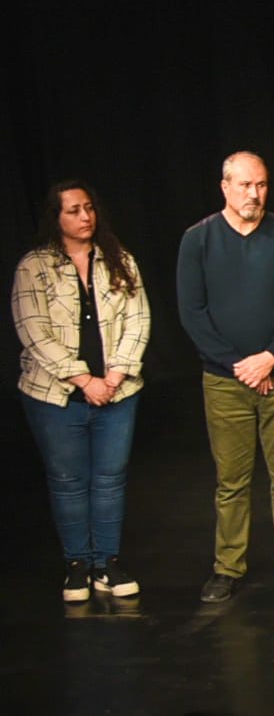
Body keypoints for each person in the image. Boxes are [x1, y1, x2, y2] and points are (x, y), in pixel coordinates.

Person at [176, 152, 274, 602]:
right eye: (244, 185)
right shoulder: (198, 239)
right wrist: (240, 365)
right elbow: (192, 312)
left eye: (261, 185)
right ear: (225, 187)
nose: (253, 194)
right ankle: (227, 567)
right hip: (225, 381)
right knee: (231, 481)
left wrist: (269, 358)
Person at [14, 181, 149, 602]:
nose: (85, 216)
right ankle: (78, 565)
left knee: (110, 480)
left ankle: (107, 562)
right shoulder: (34, 266)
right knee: (68, 481)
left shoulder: (119, 259)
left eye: (88, 208)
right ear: (55, 217)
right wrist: (83, 379)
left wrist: (114, 376)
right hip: (56, 397)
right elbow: (33, 330)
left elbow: (138, 319)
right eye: (73, 210)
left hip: (117, 393)